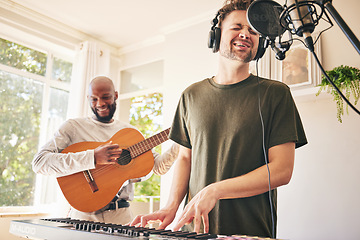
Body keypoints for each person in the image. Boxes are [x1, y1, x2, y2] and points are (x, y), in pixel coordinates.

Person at [130, 0, 307, 238]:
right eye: (237, 27)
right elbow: (185, 157)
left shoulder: (276, 94)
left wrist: (215, 190)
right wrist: (171, 206)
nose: (246, 34)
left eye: (253, 31)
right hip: (192, 231)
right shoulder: (190, 95)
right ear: (217, 35)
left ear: (260, 43)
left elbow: (281, 170)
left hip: (250, 231)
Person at [32, 76, 179, 225]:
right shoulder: (73, 127)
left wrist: (182, 142)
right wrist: (92, 157)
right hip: (83, 217)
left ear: (115, 95)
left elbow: (158, 167)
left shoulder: (130, 133)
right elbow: (39, 163)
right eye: (94, 99)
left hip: (122, 217)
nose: (100, 104)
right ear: (88, 98)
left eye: (105, 97)